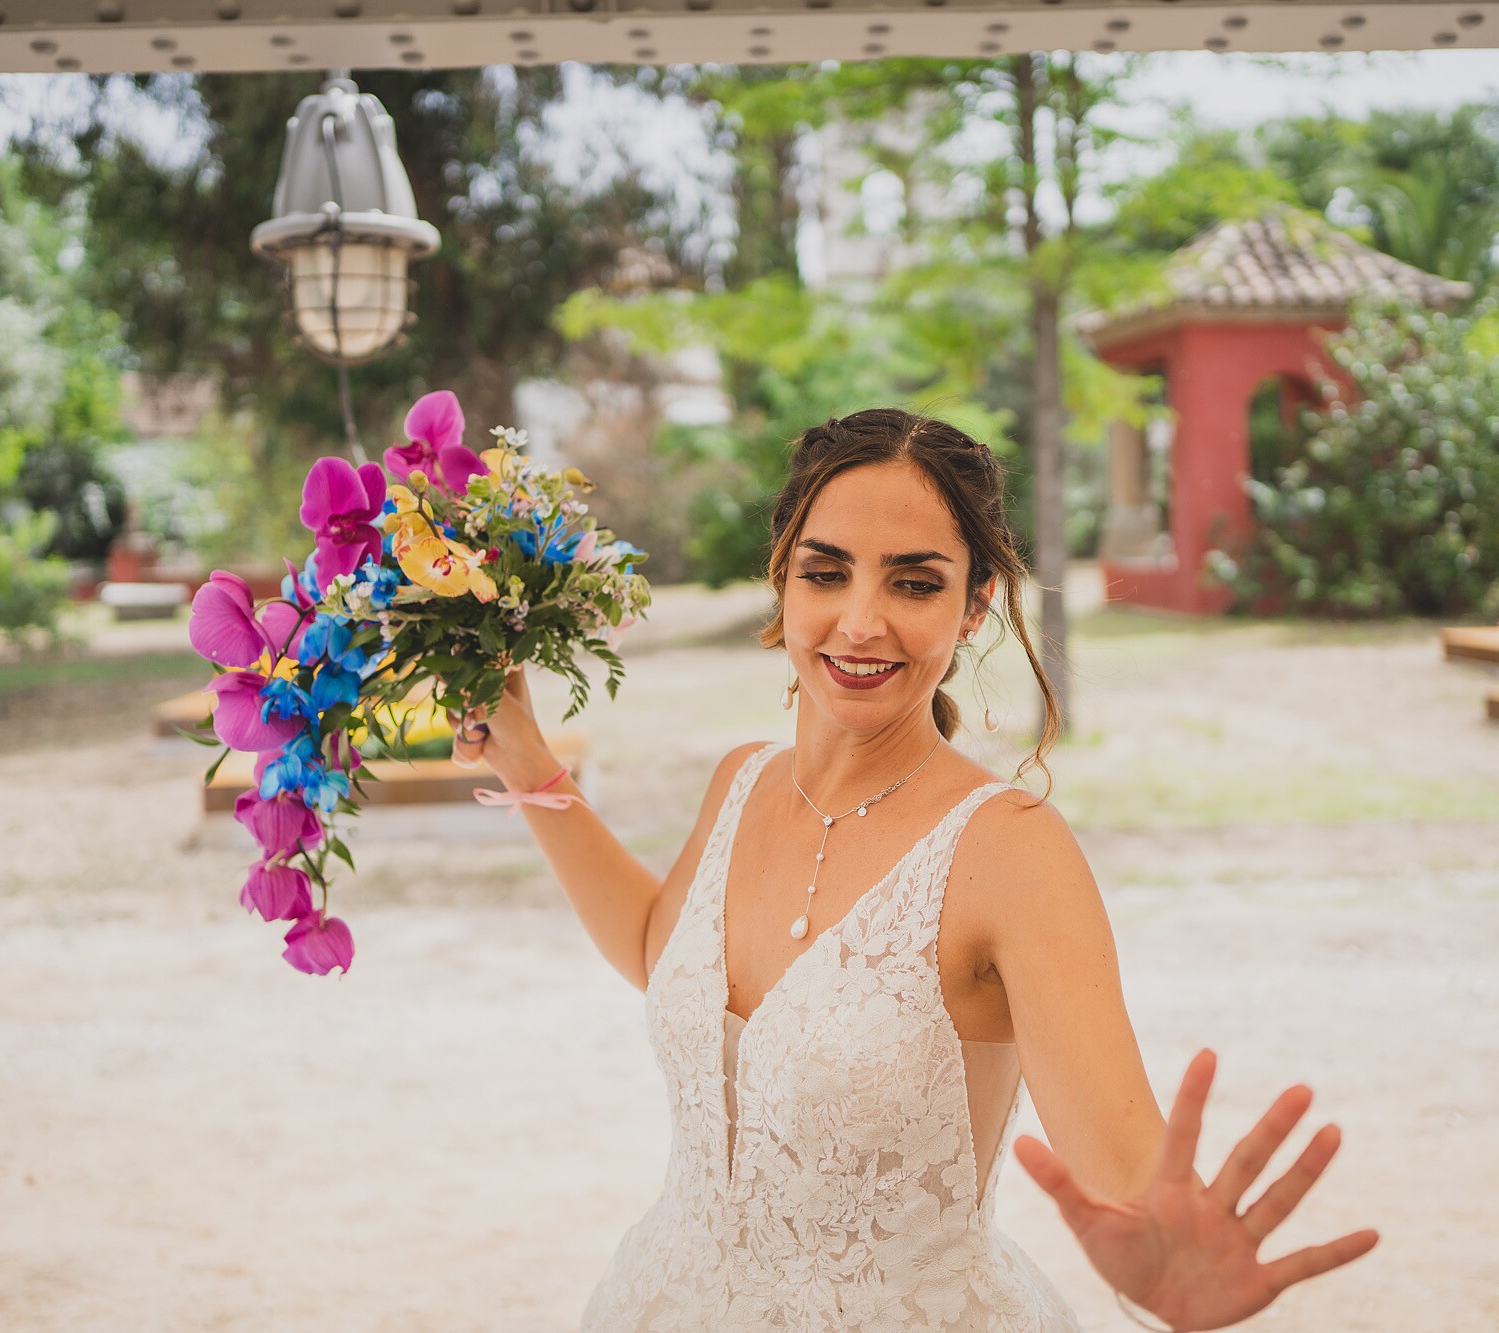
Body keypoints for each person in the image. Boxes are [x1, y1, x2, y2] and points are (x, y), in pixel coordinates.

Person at [445, 409, 1379, 1331]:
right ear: (784, 583)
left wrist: (1163, 1257)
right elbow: (662, 950)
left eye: (915, 583)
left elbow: (1120, 1161)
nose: (860, 622)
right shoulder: (741, 780)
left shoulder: (1009, 851)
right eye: (826, 572)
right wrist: (527, 762)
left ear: (974, 607)